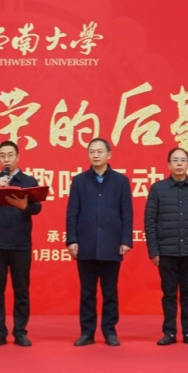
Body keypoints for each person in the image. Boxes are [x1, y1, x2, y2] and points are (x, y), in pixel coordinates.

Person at [66, 138, 133, 346]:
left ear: (108, 155)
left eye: (99, 151)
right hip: (85, 243)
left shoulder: (121, 181)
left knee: (110, 291)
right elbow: (72, 212)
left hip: (111, 243)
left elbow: (127, 213)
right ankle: (87, 333)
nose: (95, 155)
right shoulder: (79, 181)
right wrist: (72, 239)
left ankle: (109, 332)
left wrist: (125, 240)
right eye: (92, 151)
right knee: (87, 292)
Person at [0, 140, 42, 347]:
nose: (7, 159)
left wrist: (25, 206)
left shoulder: (28, 180)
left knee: (21, 290)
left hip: (20, 243)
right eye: (3, 155)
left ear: (18, 157)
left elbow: (37, 208)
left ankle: (20, 332)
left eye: (10, 155)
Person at [145, 147, 188, 346]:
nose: (179, 163)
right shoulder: (158, 189)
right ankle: (170, 332)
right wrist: (154, 251)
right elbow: (150, 221)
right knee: (169, 294)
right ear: (169, 164)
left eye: (183, 160)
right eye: (175, 160)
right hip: (167, 251)